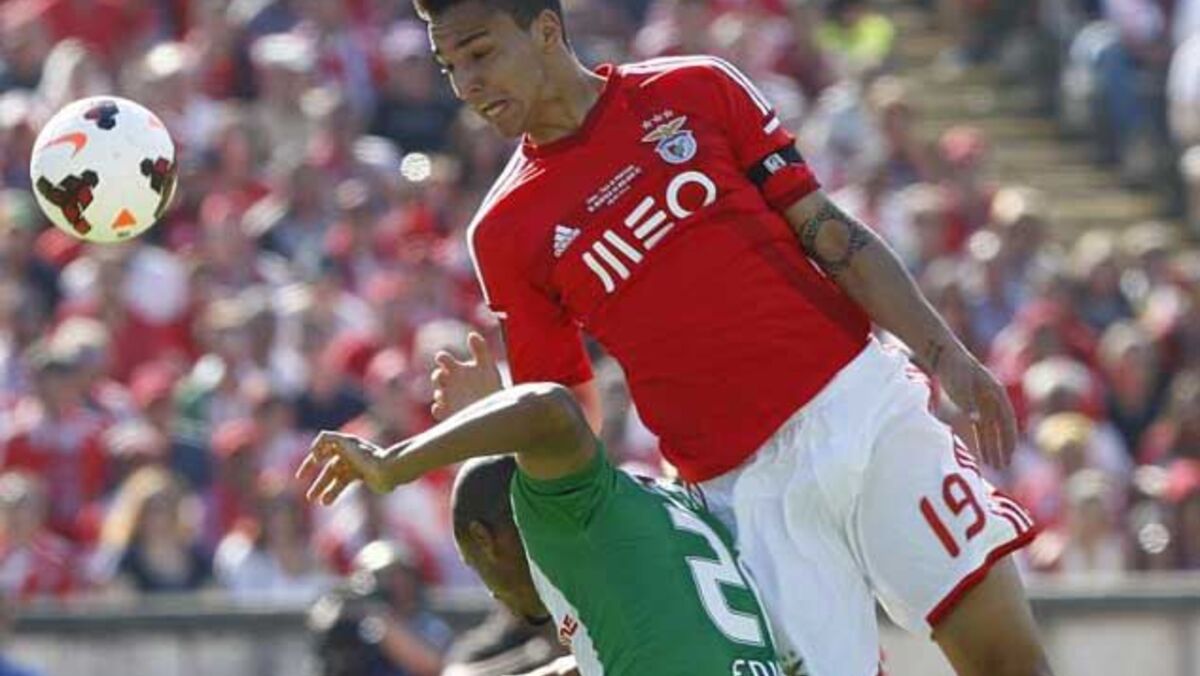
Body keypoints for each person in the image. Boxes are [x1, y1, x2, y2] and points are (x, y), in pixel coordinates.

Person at [416, 1, 1050, 674]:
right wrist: (498, 421)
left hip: (863, 409)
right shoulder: (504, 230)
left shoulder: (694, 87)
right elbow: (571, 424)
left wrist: (946, 356)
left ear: (546, 30)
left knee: (1007, 663)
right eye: (449, 67)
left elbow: (828, 232)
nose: (466, 84)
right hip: (738, 499)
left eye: (479, 54)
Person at [297, 383, 798, 676]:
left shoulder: (562, 517)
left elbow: (548, 407)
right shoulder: (655, 510)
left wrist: (394, 465)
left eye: (476, 566)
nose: (493, 594)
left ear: (485, 539)